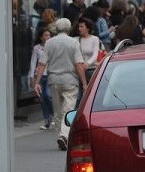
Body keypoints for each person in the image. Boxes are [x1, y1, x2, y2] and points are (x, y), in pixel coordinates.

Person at [32, 18, 86, 151]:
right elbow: (79, 64)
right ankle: (64, 135)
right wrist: (84, 83)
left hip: (53, 80)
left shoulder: (49, 43)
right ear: (68, 29)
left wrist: (37, 82)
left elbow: (42, 63)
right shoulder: (74, 42)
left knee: (57, 110)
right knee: (68, 109)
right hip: (70, 79)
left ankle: (60, 136)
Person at [30, 30, 54, 130]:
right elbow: (33, 62)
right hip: (40, 75)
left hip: (51, 74)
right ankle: (46, 120)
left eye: (49, 35)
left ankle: (53, 114)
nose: (48, 37)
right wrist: (32, 77)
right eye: (46, 35)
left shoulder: (53, 47)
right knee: (43, 98)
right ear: (41, 37)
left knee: (49, 95)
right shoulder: (37, 48)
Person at [75, 18, 102, 98]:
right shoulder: (76, 40)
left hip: (91, 69)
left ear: (88, 28)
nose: (79, 28)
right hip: (79, 70)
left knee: (92, 93)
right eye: (79, 27)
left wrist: (88, 63)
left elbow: (95, 54)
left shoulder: (94, 39)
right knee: (79, 95)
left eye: (82, 26)